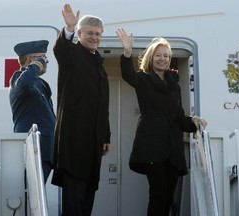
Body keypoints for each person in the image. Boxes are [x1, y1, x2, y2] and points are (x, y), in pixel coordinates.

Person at [116, 28, 208, 216]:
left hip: (172, 147)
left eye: (166, 56)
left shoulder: (175, 84)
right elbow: (128, 75)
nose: (162, 59)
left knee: (168, 196)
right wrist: (127, 53)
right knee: (158, 193)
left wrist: (194, 121)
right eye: (158, 55)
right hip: (151, 143)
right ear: (151, 57)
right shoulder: (143, 79)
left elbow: (180, 117)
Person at [51, 3, 111, 216]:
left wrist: (106, 135)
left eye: (98, 34)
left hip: (93, 143)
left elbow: (103, 105)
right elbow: (60, 49)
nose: (95, 37)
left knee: (87, 200)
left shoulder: (98, 64)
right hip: (74, 142)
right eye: (90, 33)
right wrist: (67, 29)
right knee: (74, 202)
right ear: (79, 33)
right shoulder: (72, 54)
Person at [9, 40, 56, 184]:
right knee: (30, 194)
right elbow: (24, 82)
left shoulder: (40, 83)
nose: (46, 61)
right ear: (29, 60)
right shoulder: (19, 78)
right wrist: (36, 64)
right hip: (33, 148)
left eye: (45, 58)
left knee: (37, 194)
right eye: (42, 58)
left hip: (46, 149)